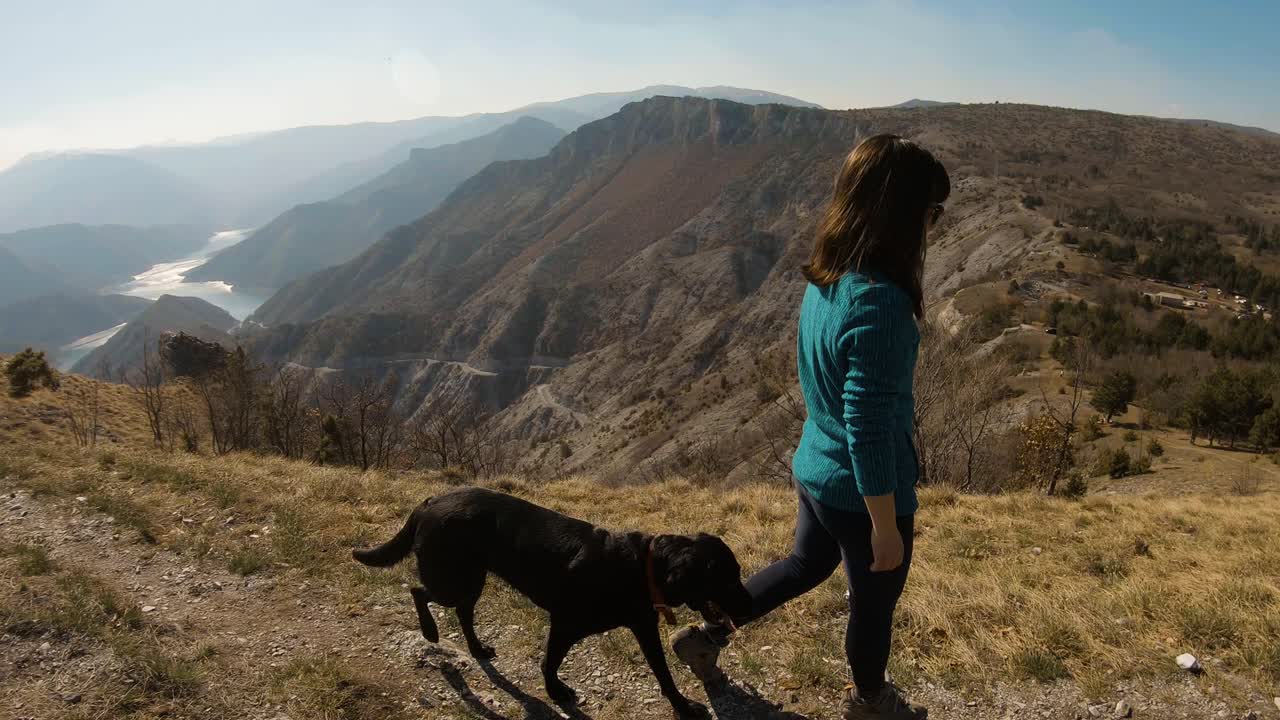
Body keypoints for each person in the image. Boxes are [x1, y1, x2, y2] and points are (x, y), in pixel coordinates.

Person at [671, 134, 949, 720]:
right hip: (863, 490)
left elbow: (829, 388)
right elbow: (868, 426)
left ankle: (709, 634)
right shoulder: (880, 303)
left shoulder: (828, 278)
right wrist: (885, 526)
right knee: (872, 609)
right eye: (932, 211)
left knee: (805, 564)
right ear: (903, 215)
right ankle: (871, 701)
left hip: (815, 469)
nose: (935, 224)